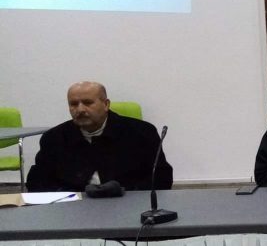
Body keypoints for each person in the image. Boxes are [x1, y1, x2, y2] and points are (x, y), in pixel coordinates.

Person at [26, 82, 173, 192]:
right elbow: (37, 181)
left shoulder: (141, 132)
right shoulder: (54, 138)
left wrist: (125, 192)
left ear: (106, 104)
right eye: (74, 104)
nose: (80, 109)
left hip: (128, 203)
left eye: (88, 103)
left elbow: (161, 177)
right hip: (73, 207)